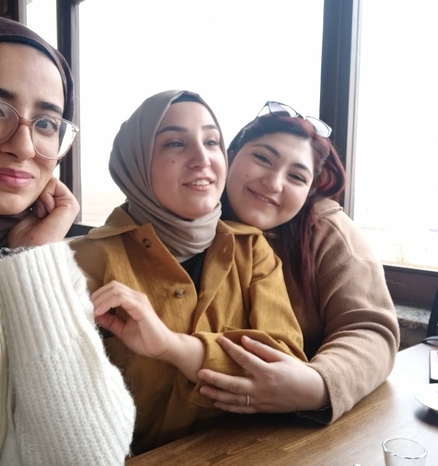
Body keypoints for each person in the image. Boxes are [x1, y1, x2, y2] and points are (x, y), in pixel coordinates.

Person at [0, 15, 135, 466]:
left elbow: (88, 455)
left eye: (46, 123)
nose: (24, 147)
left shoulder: (30, 266)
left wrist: (32, 256)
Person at [70, 90, 306, 454]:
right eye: (176, 143)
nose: (202, 159)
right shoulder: (84, 261)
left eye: (211, 142)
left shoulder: (251, 249)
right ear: (136, 162)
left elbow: (285, 365)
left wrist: (174, 348)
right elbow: (70, 405)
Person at [197, 101, 400, 422]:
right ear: (230, 155)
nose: (273, 183)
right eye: (263, 159)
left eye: (296, 176)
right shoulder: (190, 216)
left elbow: (369, 329)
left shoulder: (327, 231)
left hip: (292, 425)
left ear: (310, 191)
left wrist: (318, 384)